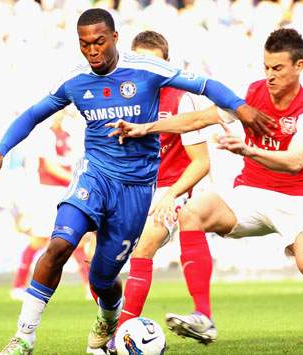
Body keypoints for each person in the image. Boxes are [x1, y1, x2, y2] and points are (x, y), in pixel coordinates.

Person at [0, 8, 273, 355]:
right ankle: (24, 337)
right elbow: (32, 114)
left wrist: (241, 107)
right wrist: (0, 150)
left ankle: (110, 315)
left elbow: (205, 84)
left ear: (115, 38)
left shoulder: (146, 70)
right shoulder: (76, 80)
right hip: (95, 175)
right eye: (85, 44)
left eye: (99, 42)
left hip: (136, 190)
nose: (92, 51)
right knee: (59, 245)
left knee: (103, 279)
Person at [107, 28, 303, 355]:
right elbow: (198, 119)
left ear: (298, 66)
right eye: (266, 67)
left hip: (296, 198)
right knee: (193, 212)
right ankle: (203, 316)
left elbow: (295, 161)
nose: (270, 75)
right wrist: (146, 128)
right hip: (250, 191)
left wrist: (248, 151)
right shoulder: (254, 94)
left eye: (278, 68)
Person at [106, 30, 211, 353]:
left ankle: (123, 332)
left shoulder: (181, 98)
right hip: (133, 189)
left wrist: (171, 195)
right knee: (97, 258)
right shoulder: (120, 100)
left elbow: (201, 162)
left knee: (146, 244)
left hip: (172, 189)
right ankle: (108, 324)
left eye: (154, 64)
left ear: (167, 65)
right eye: (139, 62)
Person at [10, 115, 94, 302]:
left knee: (76, 239)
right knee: (38, 240)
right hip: (48, 193)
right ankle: (18, 285)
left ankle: (89, 285)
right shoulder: (44, 135)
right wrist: (75, 179)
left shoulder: (67, 133)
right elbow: (49, 166)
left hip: (64, 191)